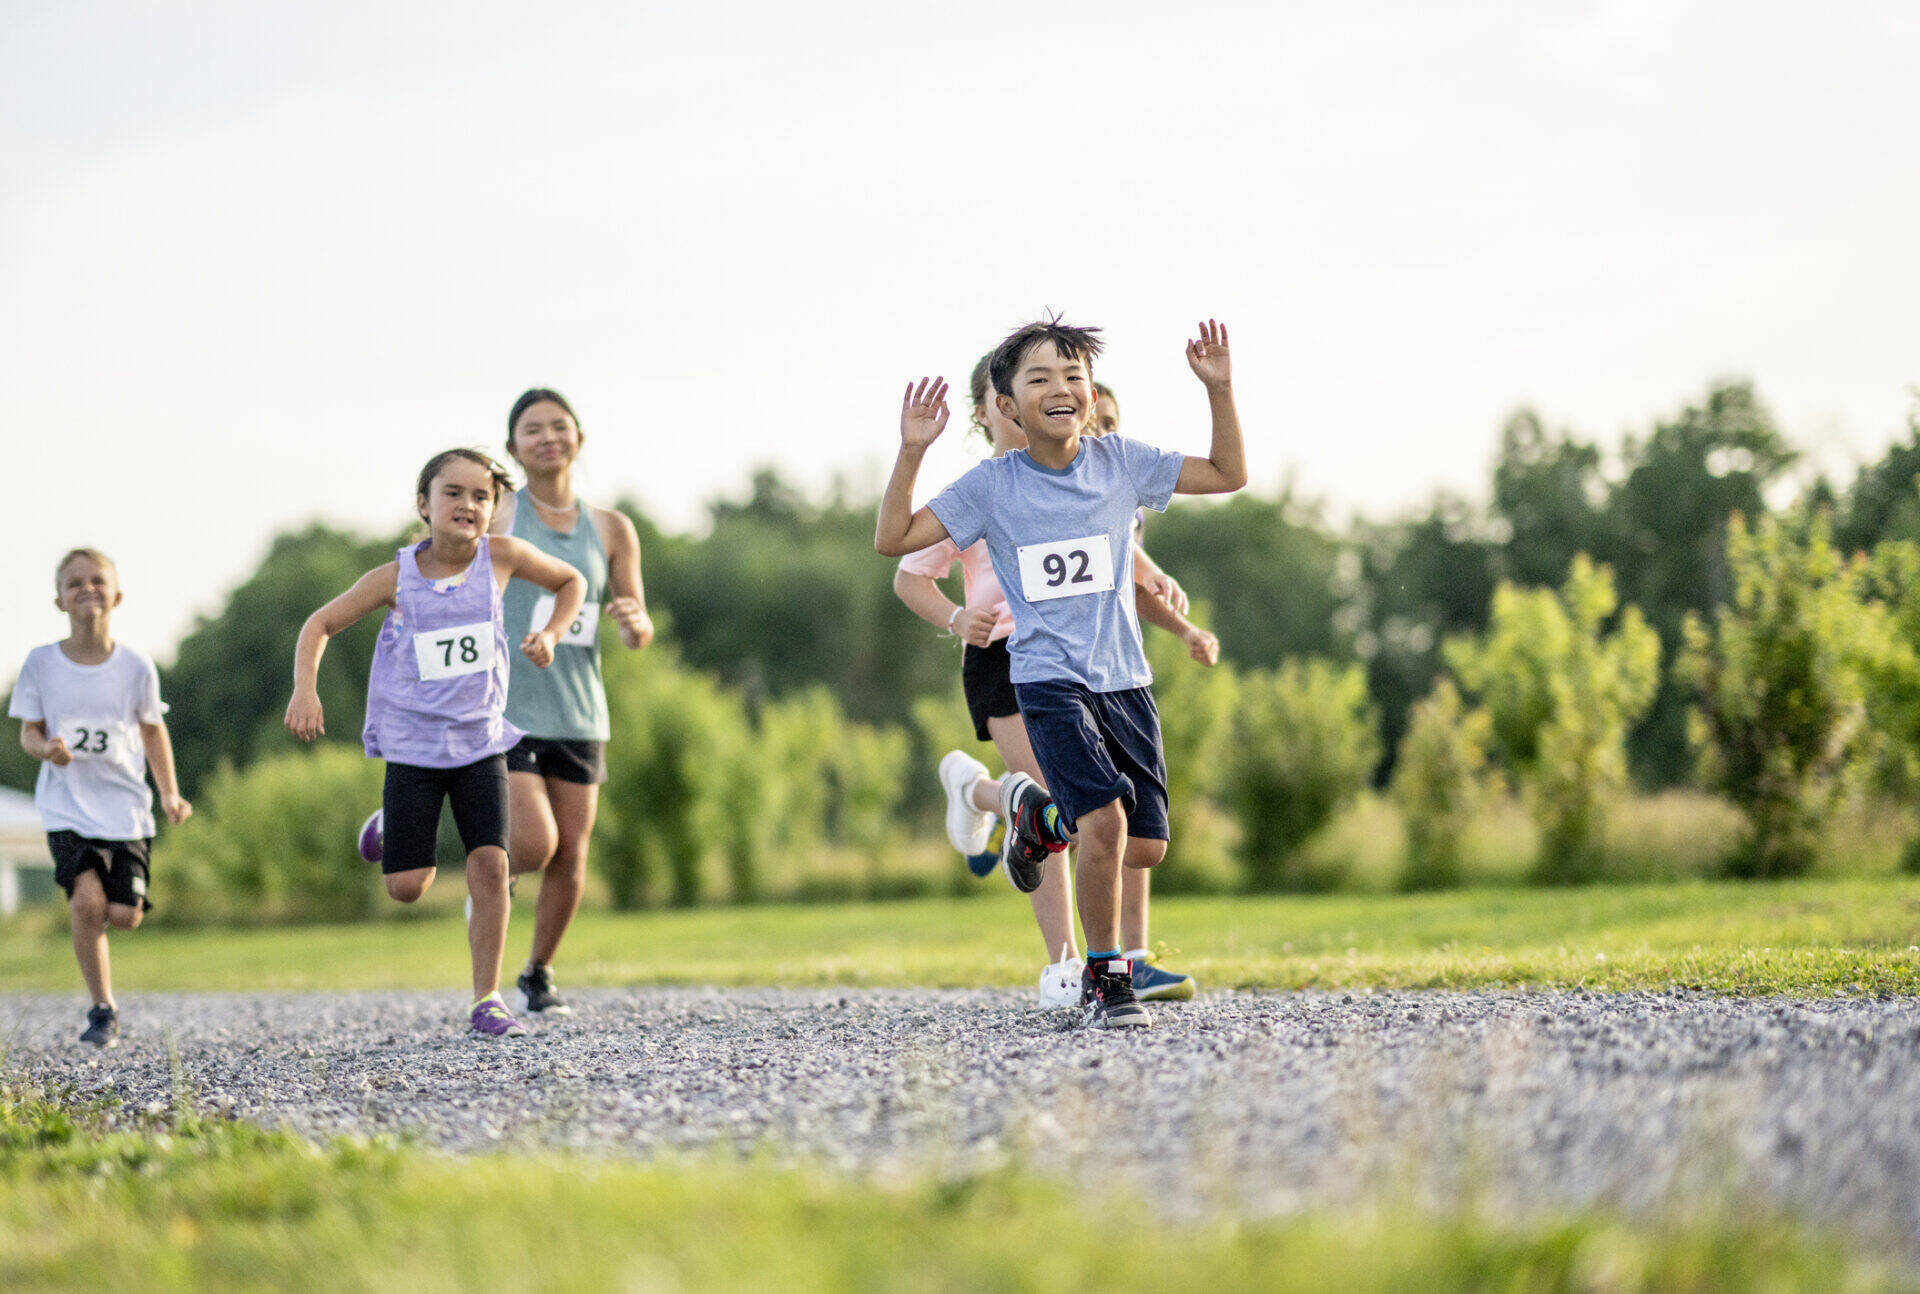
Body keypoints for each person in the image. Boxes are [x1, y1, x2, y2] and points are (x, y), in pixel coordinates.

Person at [876, 318, 1246, 1028]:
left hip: (1124, 680)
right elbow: (892, 541)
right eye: (1039, 378)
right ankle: (1106, 978)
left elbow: (1229, 474)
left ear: (1091, 392)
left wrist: (1221, 392)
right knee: (1102, 822)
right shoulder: (991, 485)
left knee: (1144, 845)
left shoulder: (1120, 463)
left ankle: (1032, 814)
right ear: (1006, 406)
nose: (1061, 388)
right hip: (1043, 677)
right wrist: (910, 452)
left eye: (1073, 376)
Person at [286, 449, 586, 1038]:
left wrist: (551, 631)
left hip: (480, 742)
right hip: (414, 749)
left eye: (481, 496)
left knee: (490, 866)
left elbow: (570, 581)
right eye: (452, 493)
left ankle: (487, 999)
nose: (467, 505)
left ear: (493, 508)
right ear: (423, 504)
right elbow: (319, 624)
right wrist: (304, 691)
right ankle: (389, 827)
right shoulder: (396, 577)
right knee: (406, 888)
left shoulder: (501, 559)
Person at [491, 388, 654, 1015]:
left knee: (573, 853)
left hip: (581, 709)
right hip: (508, 705)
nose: (548, 438)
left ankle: (538, 972)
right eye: (533, 430)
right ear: (513, 449)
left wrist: (634, 623)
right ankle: (493, 871)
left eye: (559, 427)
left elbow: (637, 624)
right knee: (535, 841)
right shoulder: (502, 515)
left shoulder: (611, 527)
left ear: (578, 440)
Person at [10, 548, 192, 1047]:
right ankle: (101, 1008)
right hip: (65, 807)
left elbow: (154, 733)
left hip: (125, 810)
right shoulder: (41, 664)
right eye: (75, 583)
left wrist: (170, 794)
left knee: (123, 916)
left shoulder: (136, 667)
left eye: (96, 581)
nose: (86, 589)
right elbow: (28, 732)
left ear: (116, 595)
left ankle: (106, 990)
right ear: (59, 600)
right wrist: (46, 749)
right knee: (87, 904)